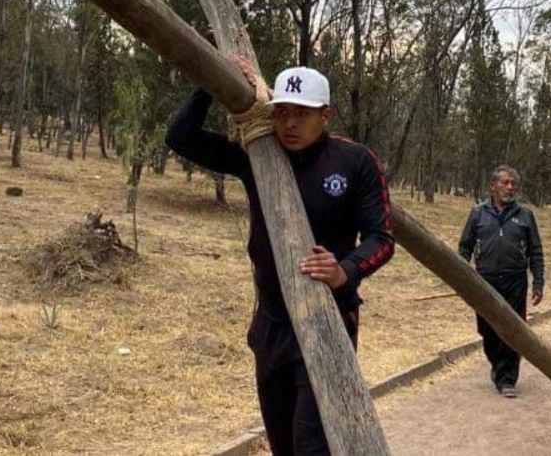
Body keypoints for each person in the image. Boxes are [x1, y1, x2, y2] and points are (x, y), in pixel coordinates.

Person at [165, 63, 394, 456]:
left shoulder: (355, 161)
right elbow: (180, 138)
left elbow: (382, 238)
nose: (289, 123)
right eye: (282, 111)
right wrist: (210, 82)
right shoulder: (258, 152)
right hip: (270, 324)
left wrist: (346, 270)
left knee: (313, 444)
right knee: (282, 442)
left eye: (302, 113)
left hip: (327, 320)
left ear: (326, 115)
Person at [457, 165, 544, 398]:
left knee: (513, 330)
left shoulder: (525, 215)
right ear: (493, 185)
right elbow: (464, 247)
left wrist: (538, 283)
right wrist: (461, 276)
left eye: (513, 183)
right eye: (505, 183)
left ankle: (507, 379)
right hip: (484, 281)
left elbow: (535, 251)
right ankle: (497, 366)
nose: (510, 187)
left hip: (515, 281)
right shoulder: (478, 213)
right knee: (487, 330)